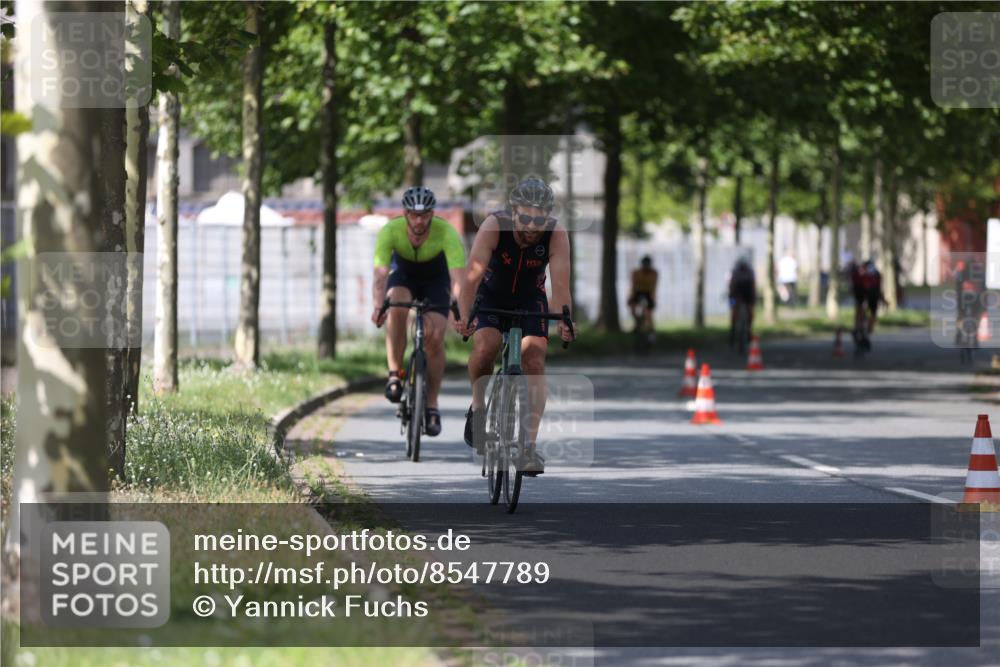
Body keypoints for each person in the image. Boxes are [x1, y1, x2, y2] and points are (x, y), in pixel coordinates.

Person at [458, 177, 575, 475]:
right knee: (487, 347)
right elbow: (471, 278)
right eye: (525, 218)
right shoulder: (494, 226)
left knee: (534, 358)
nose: (532, 227)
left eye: (539, 219)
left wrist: (565, 320)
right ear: (513, 212)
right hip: (490, 295)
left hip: (529, 298)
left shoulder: (556, 234)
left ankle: (527, 449)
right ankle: (478, 408)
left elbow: (561, 287)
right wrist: (464, 316)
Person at [371, 186, 465, 437]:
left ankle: (432, 404)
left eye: (424, 215)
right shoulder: (390, 230)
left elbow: (459, 278)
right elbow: (380, 275)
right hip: (404, 277)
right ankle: (394, 374)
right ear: (405, 214)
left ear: (432, 214)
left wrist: (458, 309)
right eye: (414, 215)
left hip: (436, 281)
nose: (419, 221)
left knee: (434, 337)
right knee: (396, 304)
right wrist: (379, 306)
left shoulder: (446, 232)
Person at [851, 259, 884, 337]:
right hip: (861, 292)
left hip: (872, 294)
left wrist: (881, 298)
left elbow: (878, 288)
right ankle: (859, 326)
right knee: (860, 308)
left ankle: (867, 327)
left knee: (870, 311)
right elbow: (855, 286)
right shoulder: (859, 275)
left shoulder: (876, 275)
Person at [728, 257, 756, 346]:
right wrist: (731, 295)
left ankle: (749, 330)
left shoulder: (750, 272)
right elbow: (731, 285)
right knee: (733, 311)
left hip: (747, 294)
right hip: (735, 294)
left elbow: (753, 285)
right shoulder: (735, 272)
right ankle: (733, 331)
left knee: (750, 311)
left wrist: (753, 296)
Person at [628, 256, 658, 338]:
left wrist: (653, 299)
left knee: (649, 312)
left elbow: (654, 287)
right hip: (637, 292)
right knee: (632, 306)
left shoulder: (654, 273)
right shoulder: (636, 273)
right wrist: (631, 297)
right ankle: (637, 322)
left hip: (648, 293)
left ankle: (651, 330)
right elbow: (633, 286)